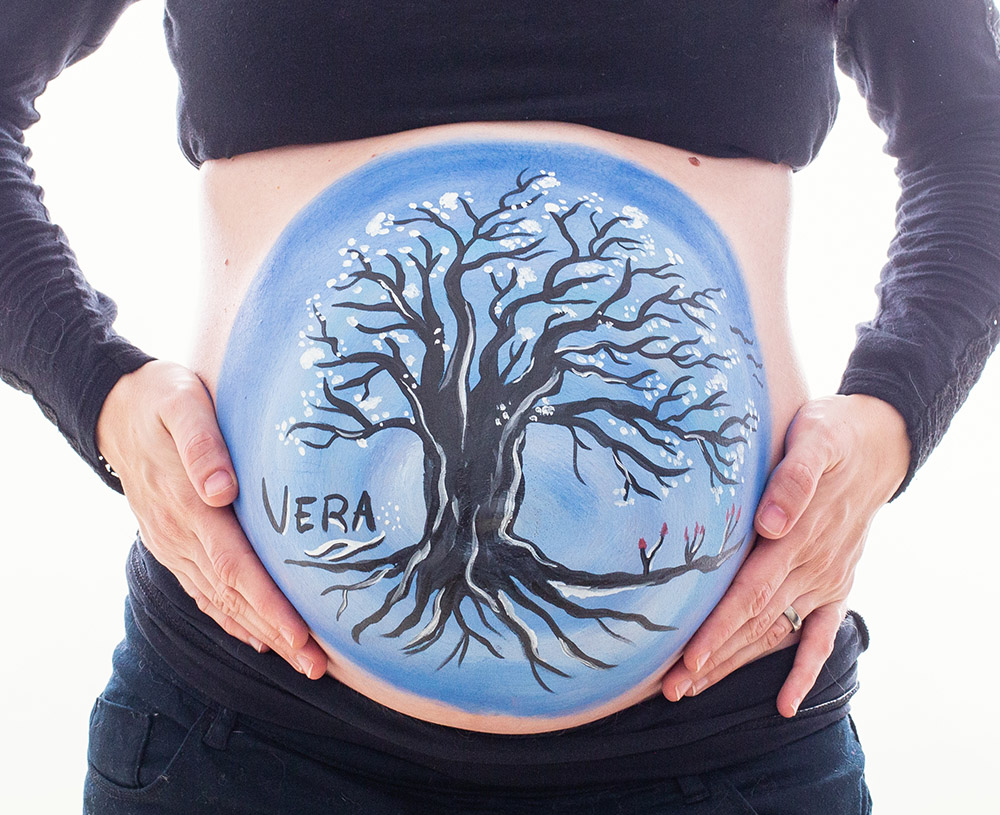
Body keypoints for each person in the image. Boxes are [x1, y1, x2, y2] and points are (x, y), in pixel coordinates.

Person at [2, 0, 999, 812]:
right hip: (249, 740)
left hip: (719, 741)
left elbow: (973, 142)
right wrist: (101, 395)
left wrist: (889, 419)